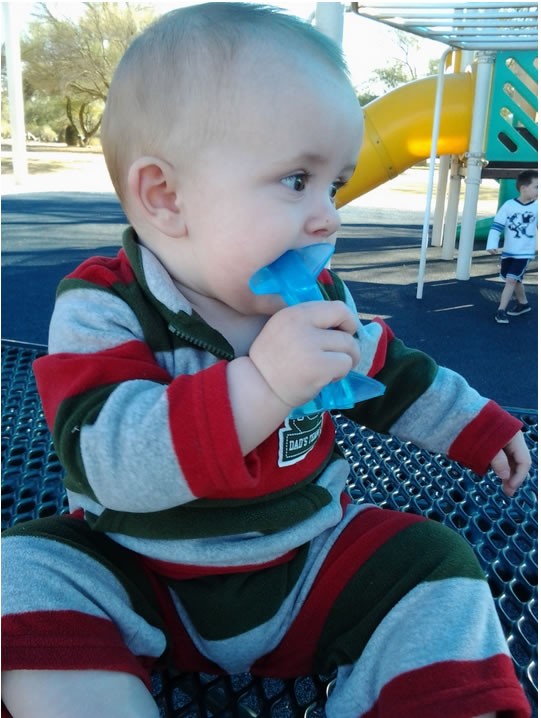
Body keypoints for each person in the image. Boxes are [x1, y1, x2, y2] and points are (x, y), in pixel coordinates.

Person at [1, 4, 532, 718]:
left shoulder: (312, 294)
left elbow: (388, 370)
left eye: (334, 185)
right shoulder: (105, 308)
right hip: (135, 573)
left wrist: (475, 425)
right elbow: (107, 459)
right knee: (20, 570)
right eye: (295, 181)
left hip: (307, 564)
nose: (329, 216)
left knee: (435, 565)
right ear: (166, 197)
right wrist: (261, 384)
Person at [486, 169, 538, 324]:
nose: (539, 190)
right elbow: (497, 226)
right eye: (536, 187)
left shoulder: (537, 207)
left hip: (525, 253)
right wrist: (491, 244)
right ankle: (523, 304)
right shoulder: (509, 205)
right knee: (515, 279)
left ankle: (501, 310)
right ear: (523, 188)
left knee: (510, 280)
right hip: (509, 251)